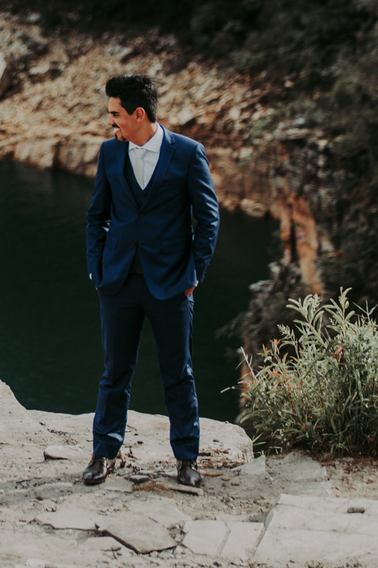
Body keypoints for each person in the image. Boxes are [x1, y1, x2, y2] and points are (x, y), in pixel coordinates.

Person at [83, 75, 219, 488]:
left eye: (116, 114)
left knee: (178, 373)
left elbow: (208, 219)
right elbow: (96, 217)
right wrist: (97, 269)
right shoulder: (110, 154)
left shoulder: (188, 154)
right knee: (114, 372)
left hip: (171, 285)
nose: (111, 123)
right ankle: (103, 453)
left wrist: (193, 273)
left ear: (138, 114)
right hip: (118, 283)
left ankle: (186, 459)